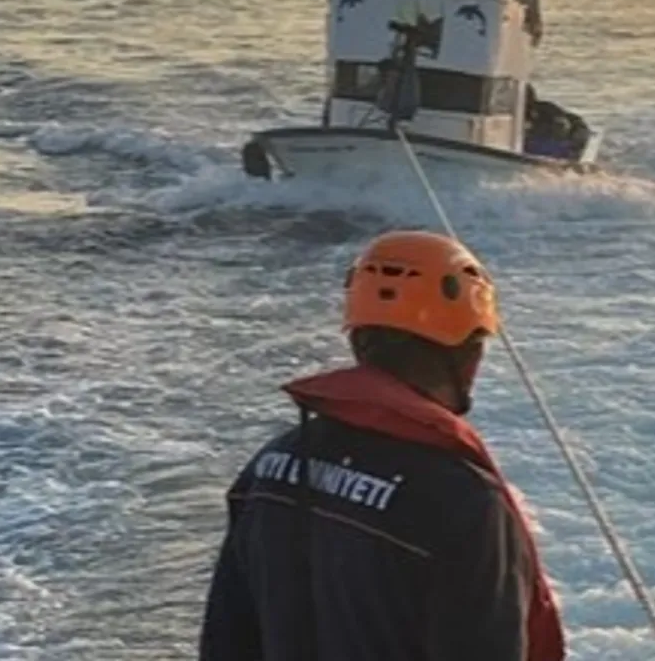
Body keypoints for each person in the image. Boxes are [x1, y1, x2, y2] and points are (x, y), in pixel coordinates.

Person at [197, 230, 567, 661]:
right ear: (468, 354)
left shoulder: (273, 463)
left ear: (358, 339)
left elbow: (225, 641)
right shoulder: (464, 501)